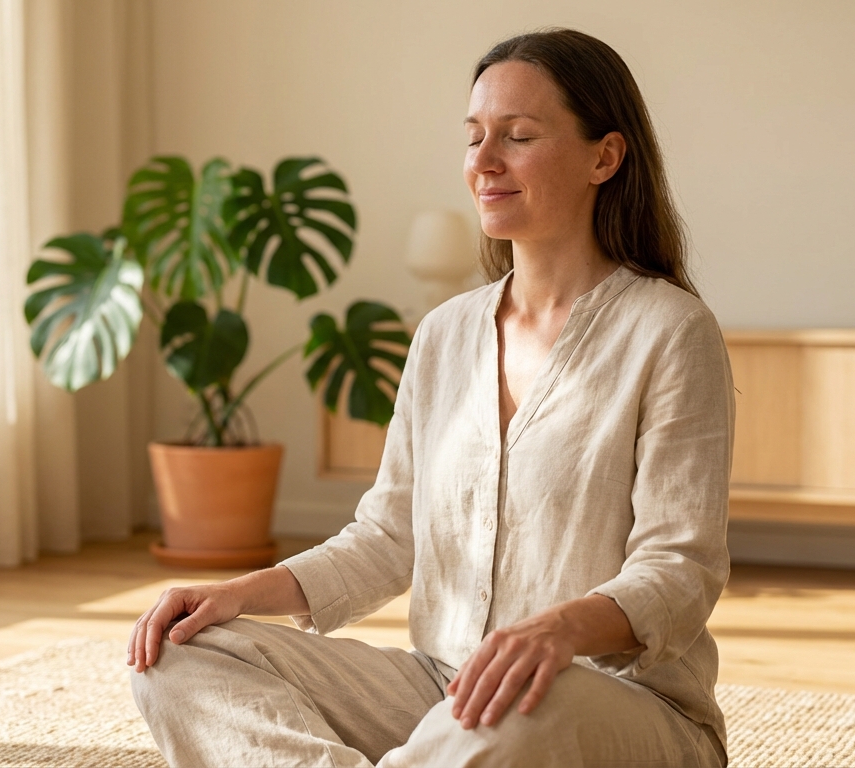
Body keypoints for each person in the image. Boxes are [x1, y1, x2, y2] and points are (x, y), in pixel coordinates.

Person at [128, 27, 734, 768]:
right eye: (474, 137)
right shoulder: (446, 334)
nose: (483, 162)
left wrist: (560, 633)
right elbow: (388, 537)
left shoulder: (670, 331)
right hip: (442, 691)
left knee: (527, 700)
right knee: (179, 653)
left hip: (607, 701)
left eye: (517, 137)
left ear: (604, 157)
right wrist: (240, 593)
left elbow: (680, 569)